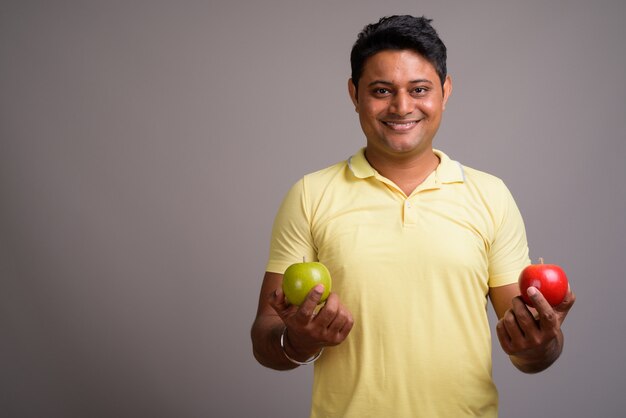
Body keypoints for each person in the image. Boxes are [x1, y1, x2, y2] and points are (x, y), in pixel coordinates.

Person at [251, 14, 575, 417]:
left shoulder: (491, 195)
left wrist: (542, 344)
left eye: (419, 89)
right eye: (381, 90)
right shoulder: (310, 195)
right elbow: (265, 337)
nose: (402, 107)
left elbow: (528, 351)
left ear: (445, 90)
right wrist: (298, 341)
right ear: (354, 94)